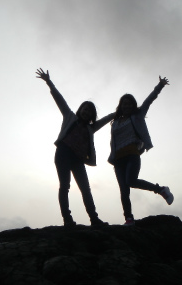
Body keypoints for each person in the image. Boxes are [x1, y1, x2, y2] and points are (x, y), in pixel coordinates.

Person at [36, 68, 113, 227]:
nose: (86, 112)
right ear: (80, 110)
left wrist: (117, 112)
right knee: (65, 186)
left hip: (78, 159)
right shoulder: (70, 117)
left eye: (89, 111)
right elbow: (60, 100)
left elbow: (106, 119)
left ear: (92, 116)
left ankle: (94, 219)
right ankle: (68, 220)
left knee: (85, 189)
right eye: (84, 109)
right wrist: (49, 82)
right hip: (63, 153)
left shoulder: (91, 128)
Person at [109, 76, 174, 226]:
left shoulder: (137, 116)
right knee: (124, 191)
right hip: (118, 159)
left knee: (131, 181)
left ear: (133, 105)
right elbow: (113, 142)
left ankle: (161, 190)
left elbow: (149, 100)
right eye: (124, 104)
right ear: (120, 105)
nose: (126, 106)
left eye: (129, 103)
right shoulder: (115, 122)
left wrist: (160, 86)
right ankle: (129, 218)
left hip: (132, 154)